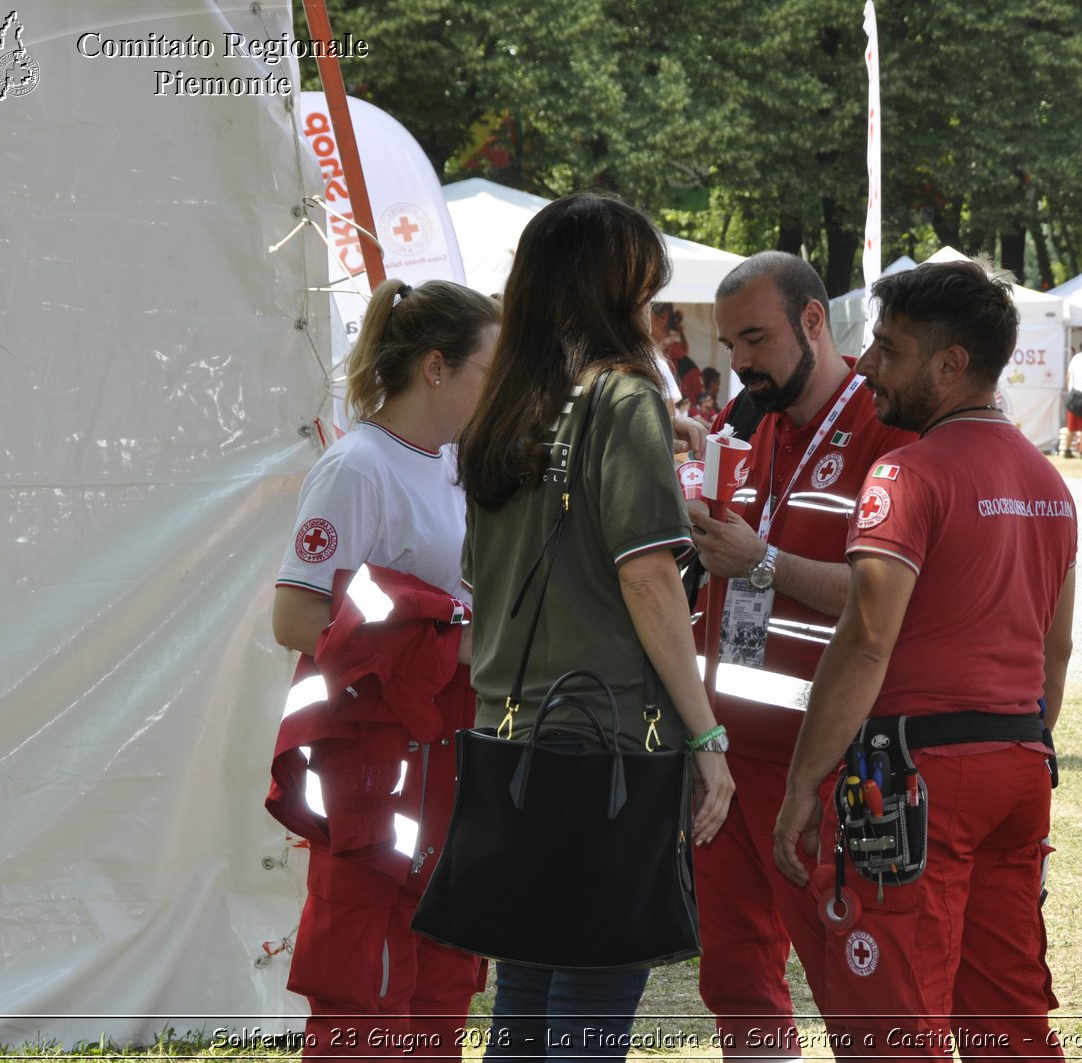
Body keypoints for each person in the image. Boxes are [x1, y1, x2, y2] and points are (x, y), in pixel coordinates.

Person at [453, 192, 734, 1061]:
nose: (653, 312)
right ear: (612, 292)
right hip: (609, 733)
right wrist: (708, 738)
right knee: (587, 1005)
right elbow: (649, 579)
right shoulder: (621, 402)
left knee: (527, 1003)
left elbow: (479, 576)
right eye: (646, 291)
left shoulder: (502, 407)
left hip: (510, 730)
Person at [773, 260, 1075, 1059]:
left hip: (921, 773)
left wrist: (804, 781)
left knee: (893, 1024)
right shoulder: (1048, 480)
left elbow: (867, 637)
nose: (868, 363)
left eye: (889, 347)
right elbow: (1058, 648)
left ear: (950, 365)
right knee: (1007, 1017)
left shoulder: (906, 473)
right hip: (1017, 759)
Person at [688, 252, 916, 1056]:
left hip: (823, 757)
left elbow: (890, 603)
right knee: (736, 974)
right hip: (728, 755)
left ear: (814, 320)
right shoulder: (757, 431)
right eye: (729, 343)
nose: (739, 361)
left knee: (850, 977)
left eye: (755, 337)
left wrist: (761, 561)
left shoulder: (887, 432)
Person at [270, 278, 501, 1059]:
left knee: (440, 985)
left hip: (443, 756)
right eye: (488, 369)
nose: (498, 388)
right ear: (436, 367)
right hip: (377, 765)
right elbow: (296, 617)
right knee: (363, 996)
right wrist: (454, 639)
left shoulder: (453, 461)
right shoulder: (358, 467)